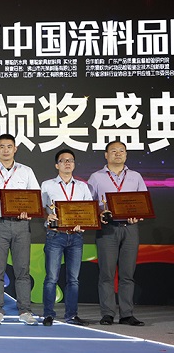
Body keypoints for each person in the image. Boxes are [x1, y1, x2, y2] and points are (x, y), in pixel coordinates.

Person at [0, 133, 41, 325]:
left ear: (15, 149)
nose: (6, 150)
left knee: (22, 270)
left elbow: (35, 196)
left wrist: (29, 211)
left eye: (9, 146)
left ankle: (25, 310)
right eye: (2, 146)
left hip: (21, 225)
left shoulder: (26, 171)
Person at [87, 140, 147, 326]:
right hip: (107, 229)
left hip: (130, 228)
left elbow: (143, 202)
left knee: (127, 274)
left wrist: (138, 215)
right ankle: (107, 313)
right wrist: (99, 213)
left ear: (126, 155)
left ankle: (127, 314)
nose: (118, 154)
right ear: (106, 155)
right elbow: (89, 204)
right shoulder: (96, 177)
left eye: (122, 150)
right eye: (113, 151)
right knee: (106, 273)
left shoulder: (136, 176)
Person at [40, 149, 92, 326]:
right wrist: (47, 216)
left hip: (76, 237)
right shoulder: (47, 185)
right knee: (51, 278)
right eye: (63, 160)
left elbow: (88, 211)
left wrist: (82, 223)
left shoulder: (82, 186)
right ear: (57, 165)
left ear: (74, 164)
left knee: (73, 279)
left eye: (71, 160)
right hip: (55, 235)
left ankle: (71, 314)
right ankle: (48, 314)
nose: (67, 163)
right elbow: (40, 208)